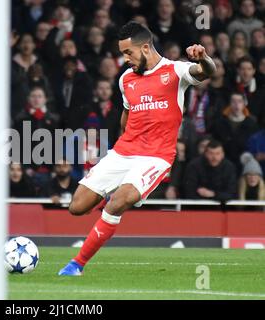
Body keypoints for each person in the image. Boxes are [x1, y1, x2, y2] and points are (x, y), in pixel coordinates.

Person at [58, 21, 217, 276]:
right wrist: (123, 146)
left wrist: (205, 57)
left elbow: (208, 71)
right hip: (124, 151)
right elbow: (127, 114)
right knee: (77, 206)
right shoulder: (125, 80)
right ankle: (107, 204)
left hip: (155, 157)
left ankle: (76, 264)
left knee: (118, 202)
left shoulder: (175, 71)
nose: (125, 59)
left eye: (127, 53)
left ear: (145, 48)